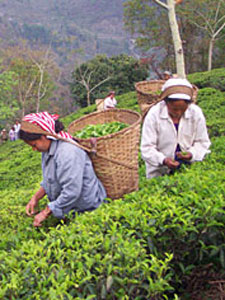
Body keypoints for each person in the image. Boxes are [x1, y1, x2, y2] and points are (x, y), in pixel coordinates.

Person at [19, 112, 106, 227]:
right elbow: (49, 180)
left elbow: (72, 191)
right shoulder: (47, 150)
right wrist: (35, 198)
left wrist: (45, 213)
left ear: (44, 136)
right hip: (71, 209)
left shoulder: (68, 153)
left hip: (87, 209)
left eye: (34, 145)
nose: (34, 149)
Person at [141, 78, 211, 178]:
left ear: (188, 104)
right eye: (174, 109)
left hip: (189, 170)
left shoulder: (196, 113)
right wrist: (163, 160)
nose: (178, 113)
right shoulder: (154, 115)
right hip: (159, 172)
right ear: (166, 102)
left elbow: (202, 142)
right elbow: (147, 148)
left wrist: (191, 154)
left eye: (182, 109)